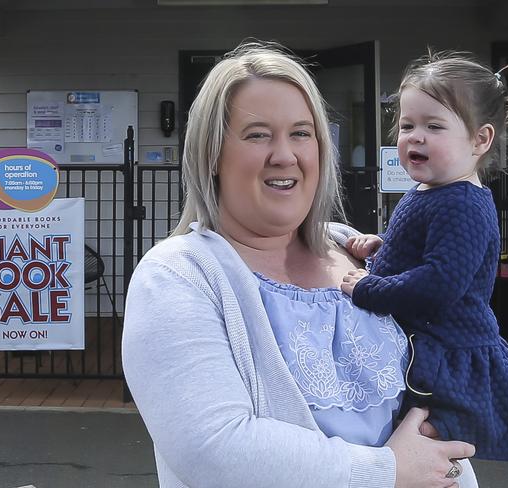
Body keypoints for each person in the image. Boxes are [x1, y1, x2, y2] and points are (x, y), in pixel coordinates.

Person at [123, 41, 478, 488]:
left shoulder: (358, 250)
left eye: (301, 133)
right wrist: (386, 472)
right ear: (212, 155)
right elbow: (213, 449)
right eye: (257, 134)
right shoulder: (178, 275)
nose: (284, 155)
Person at [341, 50, 508, 461]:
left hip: (446, 350)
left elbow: (439, 284)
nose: (415, 136)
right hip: (428, 339)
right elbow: (423, 247)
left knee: (423, 436)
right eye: (407, 125)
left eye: (434, 126)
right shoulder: (434, 191)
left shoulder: (462, 203)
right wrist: (382, 244)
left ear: (480, 140)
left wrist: (369, 288)